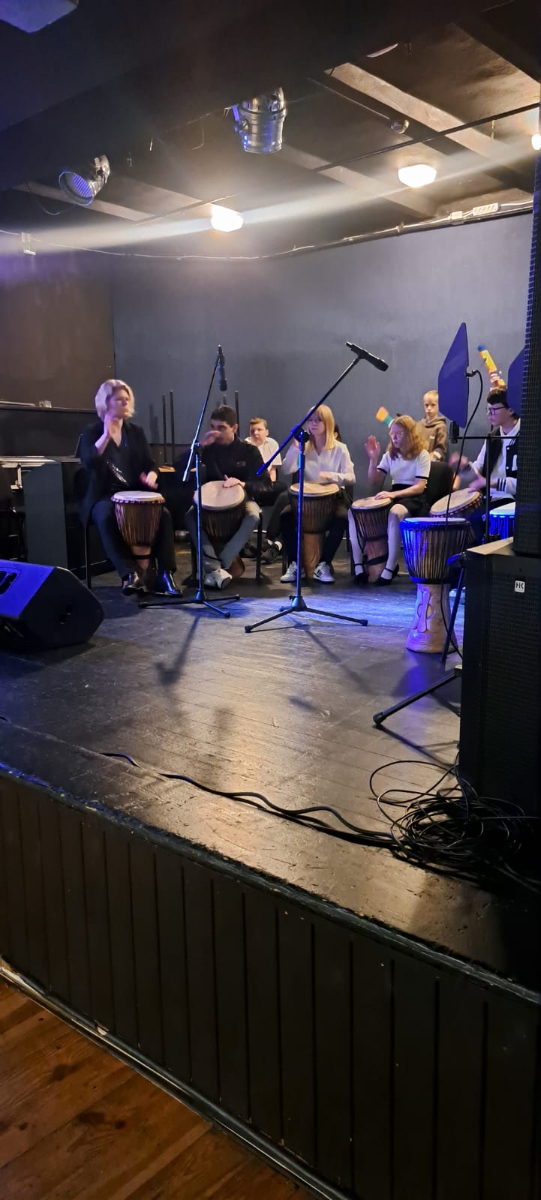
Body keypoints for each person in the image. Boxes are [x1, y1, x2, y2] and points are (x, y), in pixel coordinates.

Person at [79, 379, 180, 596]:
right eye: (119, 400)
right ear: (106, 402)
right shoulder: (92, 432)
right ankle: (129, 574)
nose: (125, 403)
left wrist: (152, 474)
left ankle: (165, 575)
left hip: (134, 493)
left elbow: (150, 464)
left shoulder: (135, 432)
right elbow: (88, 462)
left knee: (164, 515)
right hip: (104, 495)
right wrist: (106, 435)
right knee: (106, 515)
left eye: (127, 399)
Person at [180, 405, 272, 589]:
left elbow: (266, 484)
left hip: (242, 501)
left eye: (221, 428)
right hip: (210, 503)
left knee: (253, 516)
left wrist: (242, 484)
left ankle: (218, 565)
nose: (216, 432)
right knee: (190, 516)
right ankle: (216, 568)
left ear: (234, 428)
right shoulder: (207, 449)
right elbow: (180, 467)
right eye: (213, 427)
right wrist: (200, 445)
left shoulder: (249, 451)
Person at [278, 404, 355, 584]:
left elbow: (351, 477)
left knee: (342, 518)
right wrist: (295, 448)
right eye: (310, 420)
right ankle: (295, 564)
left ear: (328, 423)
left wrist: (333, 476)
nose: (313, 424)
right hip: (306, 499)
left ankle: (324, 564)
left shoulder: (340, 448)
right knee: (285, 516)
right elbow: (286, 469)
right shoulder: (303, 447)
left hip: (333, 498)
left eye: (318, 420)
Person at [350, 415, 430, 586]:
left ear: (410, 433)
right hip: (393, 494)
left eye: (398, 433)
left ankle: (390, 566)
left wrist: (393, 495)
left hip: (413, 497)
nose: (394, 437)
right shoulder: (390, 455)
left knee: (394, 513)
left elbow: (419, 487)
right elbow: (374, 480)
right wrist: (373, 459)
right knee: (353, 512)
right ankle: (358, 566)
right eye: (392, 433)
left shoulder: (422, 454)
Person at [452, 385, 520, 500]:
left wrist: (490, 483)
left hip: (512, 501)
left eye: (494, 410)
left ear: (511, 409)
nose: (489, 414)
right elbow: (479, 466)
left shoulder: (528, 438)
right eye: (488, 409)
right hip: (489, 498)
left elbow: (526, 484)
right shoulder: (492, 438)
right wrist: (465, 467)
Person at [245, 418, 282, 483]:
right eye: (252, 431)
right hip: (250, 481)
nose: (255, 433)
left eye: (259, 430)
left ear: (267, 432)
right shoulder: (245, 445)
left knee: (282, 485)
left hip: (267, 480)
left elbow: (273, 469)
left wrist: (269, 485)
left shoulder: (273, 444)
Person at [416, 390, 448, 461]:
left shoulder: (441, 426)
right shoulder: (418, 426)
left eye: (433, 405)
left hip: (433, 464)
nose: (429, 408)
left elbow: (441, 449)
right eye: (426, 405)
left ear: (439, 406)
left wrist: (431, 457)